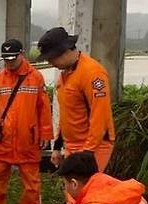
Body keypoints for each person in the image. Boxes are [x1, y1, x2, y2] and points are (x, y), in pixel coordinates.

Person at [0, 39, 53, 204]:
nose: (9, 63)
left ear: (21, 54)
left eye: (12, 58)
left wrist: (46, 133)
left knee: (31, 181)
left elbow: (43, 108)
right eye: (6, 60)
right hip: (4, 140)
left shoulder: (35, 77)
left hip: (28, 139)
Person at [38, 27, 115, 173]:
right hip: (71, 144)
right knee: (72, 192)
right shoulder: (64, 75)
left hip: (93, 146)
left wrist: (89, 152)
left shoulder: (92, 73)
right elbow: (66, 113)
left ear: (66, 51)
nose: (50, 63)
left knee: (86, 190)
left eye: (52, 58)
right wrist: (57, 146)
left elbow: (100, 115)